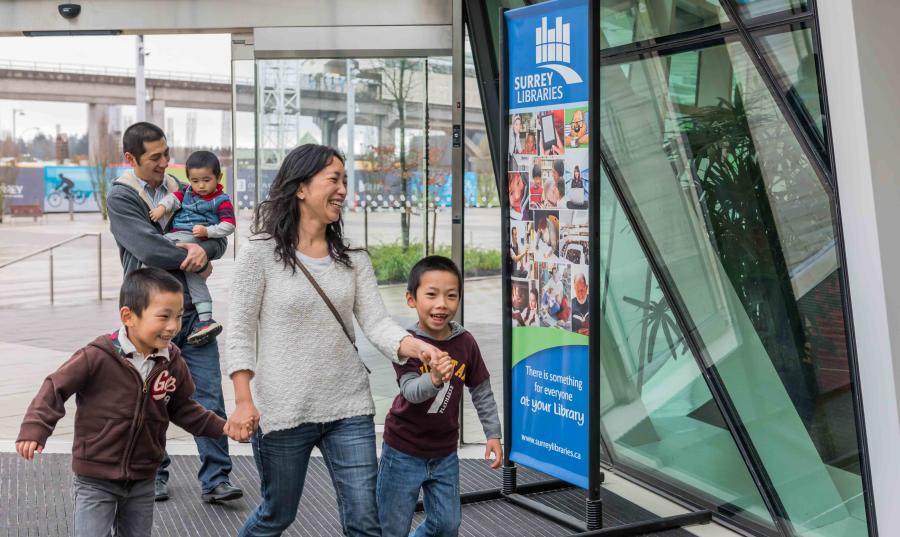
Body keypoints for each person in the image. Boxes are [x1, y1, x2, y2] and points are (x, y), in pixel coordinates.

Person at [224, 144, 449, 537]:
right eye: (334, 179)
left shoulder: (353, 258)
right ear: (300, 188)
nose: (343, 189)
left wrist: (420, 347)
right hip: (283, 409)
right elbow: (240, 331)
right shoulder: (259, 254)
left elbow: (377, 323)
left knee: (365, 522)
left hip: (348, 406)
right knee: (278, 515)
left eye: (345, 180)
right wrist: (243, 402)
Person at [15, 269, 243, 537]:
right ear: (128, 316)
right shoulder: (97, 356)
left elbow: (183, 408)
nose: (173, 326)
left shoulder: (172, 361)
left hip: (144, 476)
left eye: (179, 316)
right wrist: (35, 428)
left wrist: (223, 427)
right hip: (95, 476)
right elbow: (55, 388)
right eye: (164, 316)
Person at [107, 122, 241, 503]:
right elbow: (147, 248)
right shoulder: (123, 196)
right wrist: (193, 256)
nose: (166, 162)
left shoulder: (182, 190)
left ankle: (217, 479)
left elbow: (216, 238)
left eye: (167, 153)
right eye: (156, 157)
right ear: (131, 159)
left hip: (192, 314)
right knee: (149, 400)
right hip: (147, 314)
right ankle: (155, 475)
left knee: (209, 396)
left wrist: (206, 251)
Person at [377, 256, 502, 537]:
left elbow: (481, 390)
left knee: (447, 525)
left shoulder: (465, 342)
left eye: (451, 295)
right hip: (402, 451)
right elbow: (410, 391)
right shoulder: (408, 344)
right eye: (431, 295)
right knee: (391, 527)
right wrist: (434, 379)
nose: (441, 304)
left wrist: (493, 434)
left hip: (444, 452)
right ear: (411, 299)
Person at [149, 151, 235, 346]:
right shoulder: (186, 192)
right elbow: (172, 199)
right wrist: (161, 208)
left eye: (206, 180)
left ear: (218, 177)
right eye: (195, 181)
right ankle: (201, 319)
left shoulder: (221, 200)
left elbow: (229, 225)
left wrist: (208, 231)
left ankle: (205, 320)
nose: (201, 186)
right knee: (184, 273)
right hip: (174, 237)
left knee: (191, 275)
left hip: (194, 239)